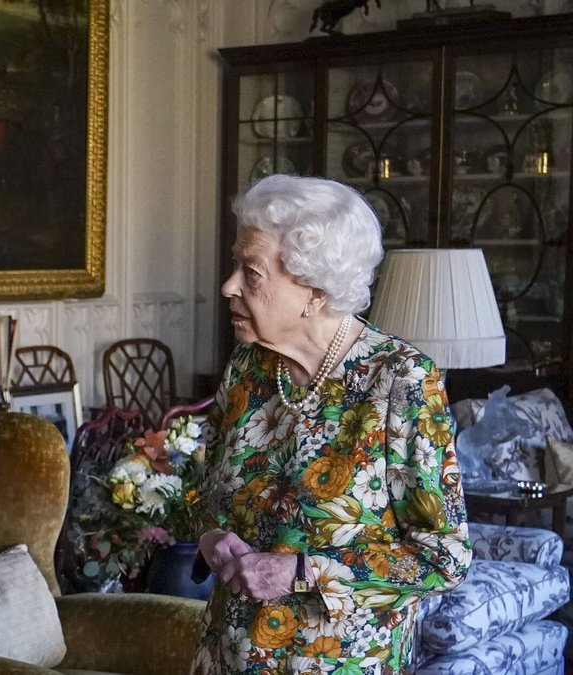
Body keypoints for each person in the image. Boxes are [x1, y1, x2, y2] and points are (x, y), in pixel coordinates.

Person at [192, 174, 472, 674]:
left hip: (340, 662)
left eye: (251, 271)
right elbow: (205, 492)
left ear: (315, 291)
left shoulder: (400, 381)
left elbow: (443, 557)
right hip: (228, 656)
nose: (228, 285)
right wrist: (212, 538)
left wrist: (302, 571)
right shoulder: (247, 368)